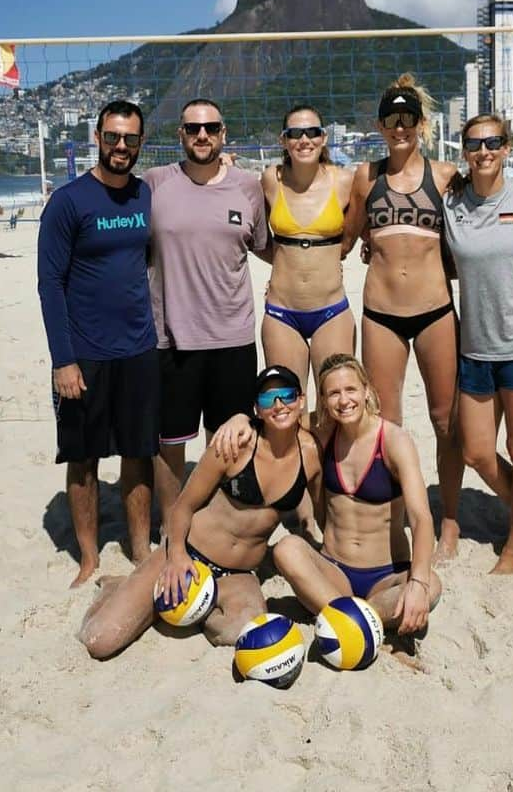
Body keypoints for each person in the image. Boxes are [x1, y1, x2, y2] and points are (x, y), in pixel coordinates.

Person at [77, 367, 322, 658]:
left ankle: (193, 609)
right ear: (256, 408)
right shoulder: (235, 445)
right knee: (100, 642)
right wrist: (177, 556)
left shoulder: (311, 454)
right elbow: (184, 506)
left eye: (286, 396)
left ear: (302, 400)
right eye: (268, 399)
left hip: (239, 573)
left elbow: (326, 513)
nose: (279, 405)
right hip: (188, 553)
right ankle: (115, 588)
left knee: (245, 631)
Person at [214, 354, 440, 636]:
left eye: (350, 390)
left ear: (366, 390)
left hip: (386, 575)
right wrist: (241, 419)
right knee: (286, 549)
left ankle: (349, 621)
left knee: (431, 585)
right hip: (334, 572)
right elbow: (278, 416)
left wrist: (417, 583)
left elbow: (420, 518)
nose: (343, 401)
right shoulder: (323, 432)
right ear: (323, 400)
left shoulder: (394, 441)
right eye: (333, 393)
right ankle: (361, 624)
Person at [37, 100, 158, 587]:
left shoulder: (145, 196)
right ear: (98, 138)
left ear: (140, 143)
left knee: (137, 453)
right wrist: (63, 361)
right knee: (83, 460)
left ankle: (140, 546)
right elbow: (50, 285)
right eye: (112, 137)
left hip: (139, 349)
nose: (121, 147)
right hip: (84, 355)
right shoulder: (68, 202)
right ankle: (88, 557)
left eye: (130, 139)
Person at [344, 75, 462, 559]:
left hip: (435, 311)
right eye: (391, 118)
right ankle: (395, 517)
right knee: (387, 422)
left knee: (444, 418)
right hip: (382, 314)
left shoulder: (445, 175)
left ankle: (449, 518)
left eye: (407, 118)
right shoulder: (365, 177)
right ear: (379, 124)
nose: (399, 126)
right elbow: (346, 236)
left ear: (421, 123)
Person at [142, 99, 269, 526]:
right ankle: (171, 525)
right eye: (193, 128)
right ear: (180, 134)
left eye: (210, 128)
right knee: (169, 443)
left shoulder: (247, 186)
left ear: (223, 133)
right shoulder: (154, 183)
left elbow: (268, 248)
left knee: (228, 440)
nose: (202, 135)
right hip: (172, 338)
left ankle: (216, 523)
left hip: (233, 338)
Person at [442, 113, 513, 574]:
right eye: (474, 144)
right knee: (478, 454)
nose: (484, 151)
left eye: (493, 142)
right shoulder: (453, 203)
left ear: (508, 147)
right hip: (475, 348)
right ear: (464, 151)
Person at [262, 103, 355, 388]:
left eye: (312, 132)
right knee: (287, 411)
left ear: (323, 138)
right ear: (283, 140)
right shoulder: (270, 179)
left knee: (337, 407)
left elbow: (355, 233)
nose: (304, 140)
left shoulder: (344, 181)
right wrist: (282, 263)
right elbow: (257, 238)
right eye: (295, 133)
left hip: (331, 310)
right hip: (281, 311)